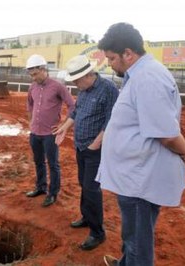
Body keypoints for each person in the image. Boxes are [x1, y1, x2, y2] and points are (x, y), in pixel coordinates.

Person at [96, 22, 185, 266]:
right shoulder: (140, 74)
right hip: (134, 175)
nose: (109, 63)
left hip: (139, 179)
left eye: (111, 58)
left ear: (128, 54)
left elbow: (167, 134)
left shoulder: (148, 77)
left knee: (138, 241)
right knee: (133, 235)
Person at [53, 55, 119, 250]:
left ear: (89, 74)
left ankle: (97, 232)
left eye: (77, 80)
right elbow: (75, 112)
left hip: (95, 150)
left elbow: (112, 121)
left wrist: (96, 144)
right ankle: (86, 216)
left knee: (91, 188)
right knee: (84, 183)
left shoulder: (108, 90)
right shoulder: (83, 91)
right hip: (80, 146)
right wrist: (65, 127)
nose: (75, 84)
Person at [25, 54, 75, 207]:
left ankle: (53, 193)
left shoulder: (58, 86)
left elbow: (72, 105)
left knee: (53, 164)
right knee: (38, 161)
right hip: (35, 133)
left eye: (35, 74)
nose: (33, 78)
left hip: (50, 134)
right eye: (31, 74)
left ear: (43, 69)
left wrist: (64, 124)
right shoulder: (32, 87)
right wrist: (31, 122)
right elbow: (30, 105)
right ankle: (41, 187)